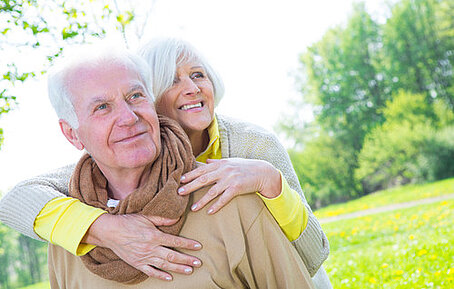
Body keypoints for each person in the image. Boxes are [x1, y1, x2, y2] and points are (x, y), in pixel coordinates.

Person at [0, 38, 331, 287]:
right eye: (172, 80)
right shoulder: (85, 188)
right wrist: (103, 228)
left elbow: (312, 256)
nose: (192, 88)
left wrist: (270, 182)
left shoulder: (251, 149)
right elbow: (15, 199)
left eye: (198, 74)